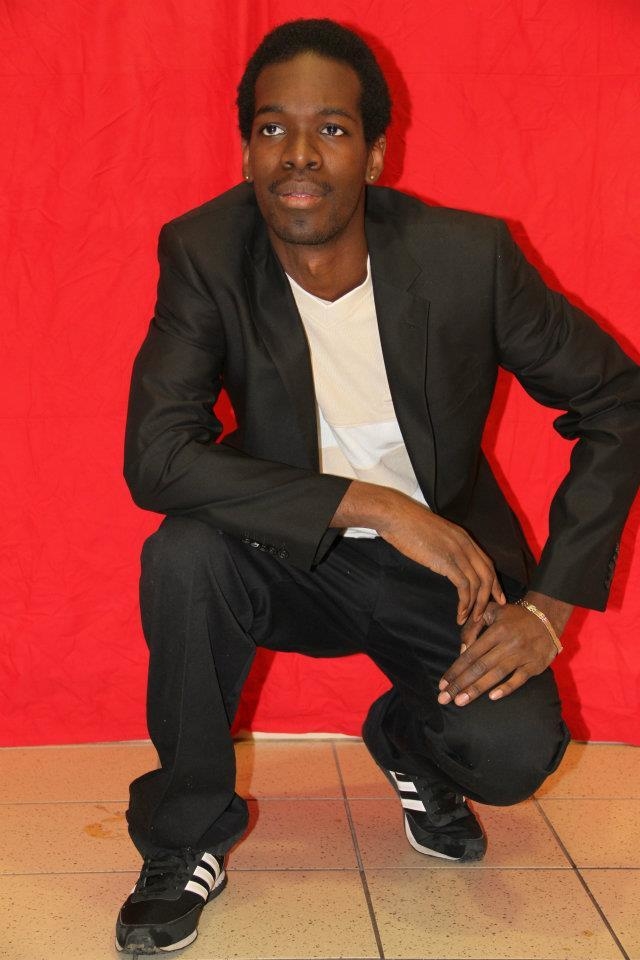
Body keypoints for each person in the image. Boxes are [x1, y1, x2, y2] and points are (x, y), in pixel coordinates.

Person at [116, 17, 640, 955]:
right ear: (246, 152)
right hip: (282, 555)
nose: (299, 155)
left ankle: (406, 740)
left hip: (448, 571)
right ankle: (184, 839)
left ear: (375, 154)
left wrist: (550, 606)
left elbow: (620, 402)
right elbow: (157, 456)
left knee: (514, 756)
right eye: (273, 129)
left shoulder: (468, 258)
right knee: (183, 553)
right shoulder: (204, 253)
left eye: (332, 128)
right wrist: (374, 506)